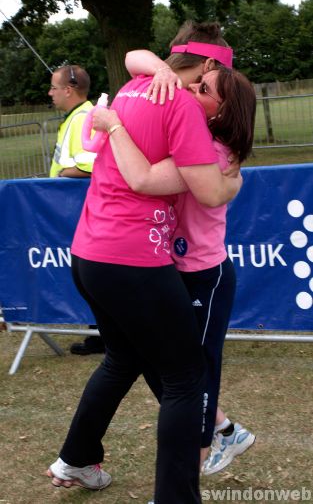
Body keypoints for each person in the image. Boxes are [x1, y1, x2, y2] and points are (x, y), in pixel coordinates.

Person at [46, 34, 242, 504]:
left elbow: (133, 54)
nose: (200, 93)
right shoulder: (181, 105)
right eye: (207, 83)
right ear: (198, 72)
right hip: (133, 259)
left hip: (89, 253)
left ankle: (76, 458)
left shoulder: (136, 84)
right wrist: (232, 177)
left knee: (124, 358)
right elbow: (201, 190)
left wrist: (119, 118)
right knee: (184, 379)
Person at [93, 43, 256, 478]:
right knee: (179, 370)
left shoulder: (212, 153)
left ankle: (194, 467)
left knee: (195, 374)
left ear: (222, 112)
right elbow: (133, 57)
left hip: (205, 276)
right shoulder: (196, 136)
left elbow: (144, 177)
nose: (190, 90)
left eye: (203, 89)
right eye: (197, 82)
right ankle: (225, 430)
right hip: (175, 271)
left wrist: (112, 126)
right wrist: (163, 71)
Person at [48, 64, 105, 356]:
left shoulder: (84, 117)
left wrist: (60, 176)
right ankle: (99, 332)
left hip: (83, 211)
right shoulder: (79, 116)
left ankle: (102, 335)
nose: (50, 93)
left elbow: (90, 165)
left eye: (54, 88)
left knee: (91, 278)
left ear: (68, 90)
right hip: (76, 211)